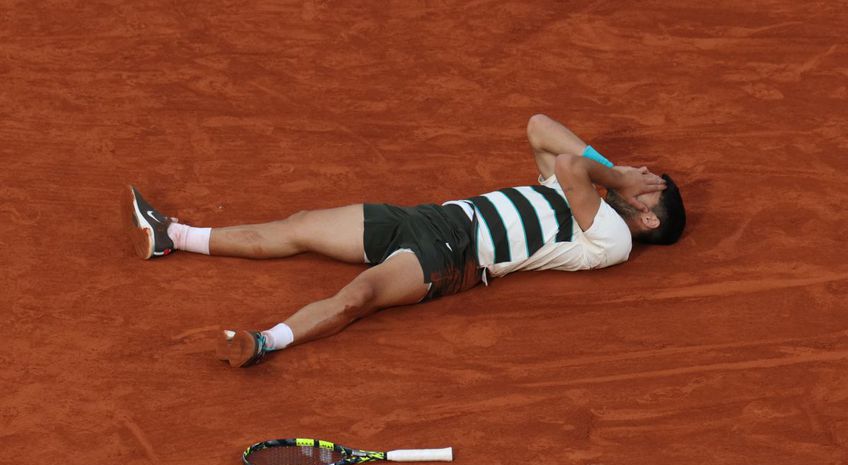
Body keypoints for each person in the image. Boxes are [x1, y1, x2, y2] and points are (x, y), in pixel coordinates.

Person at [124, 114, 685, 368]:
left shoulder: (612, 238)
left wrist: (615, 177)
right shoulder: (582, 187)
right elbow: (540, 126)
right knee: (298, 225)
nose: (636, 177)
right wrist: (617, 170)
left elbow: (569, 163)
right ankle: (172, 236)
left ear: (649, 220)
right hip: (426, 220)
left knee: (358, 297)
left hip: (453, 256)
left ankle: (264, 342)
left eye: (646, 186)